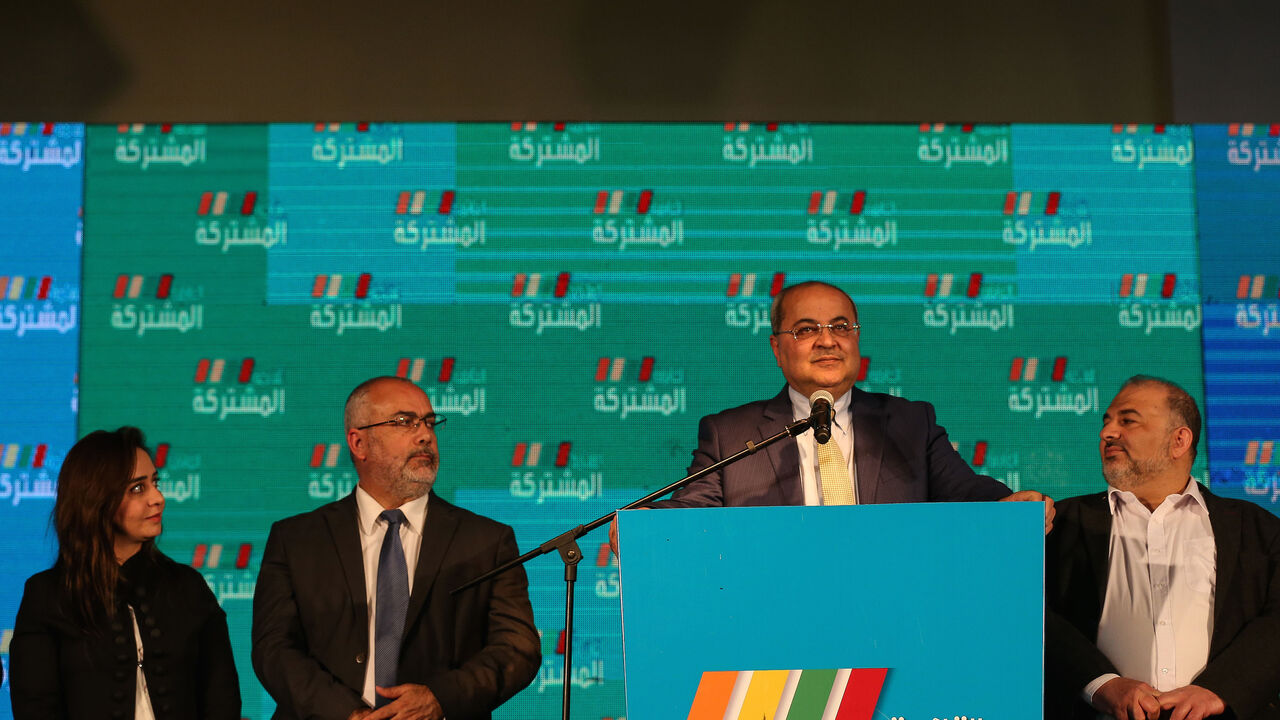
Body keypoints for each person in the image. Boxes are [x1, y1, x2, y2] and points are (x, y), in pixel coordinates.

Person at [252, 376, 540, 720]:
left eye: (429, 422)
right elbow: (274, 649)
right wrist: (347, 714)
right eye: (404, 422)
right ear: (359, 443)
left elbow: (516, 648)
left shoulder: (486, 541)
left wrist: (440, 699)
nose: (425, 435)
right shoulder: (297, 539)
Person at [646, 281, 1051, 518]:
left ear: (856, 339)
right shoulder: (729, 433)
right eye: (806, 329)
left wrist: (1008, 503)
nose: (827, 340)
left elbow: (964, 491)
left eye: (841, 326)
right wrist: (647, 523)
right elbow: (690, 513)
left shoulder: (910, 423)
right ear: (776, 348)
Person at [1046, 376, 1280, 720]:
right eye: (1106, 422)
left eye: (1127, 420)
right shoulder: (1060, 524)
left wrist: (1222, 690)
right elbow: (1029, 615)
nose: (1107, 433)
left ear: (1179, 440)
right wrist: (1100, 683)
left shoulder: (1258, 528)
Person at [9, 427, 241, 720]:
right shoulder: (47, 595)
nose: (157, 498)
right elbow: (35, 708)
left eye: (155, 483)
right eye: (137, 488)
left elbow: (222, 702)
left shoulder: (188, 587)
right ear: (96, 501)